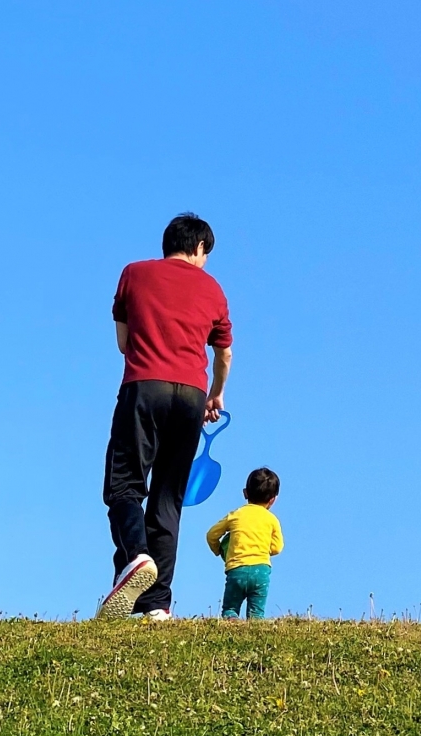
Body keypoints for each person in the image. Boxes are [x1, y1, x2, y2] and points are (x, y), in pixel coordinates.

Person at [96, 213, 233, 622]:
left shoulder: (133, 274)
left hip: (143, 386)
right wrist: (215, 393)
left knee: (123, 486)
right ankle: (158, 605)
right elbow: (223, 353)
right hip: (191, 396)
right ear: (199, 248)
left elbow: (123, 343)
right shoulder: (213, 288)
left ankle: (135, 558)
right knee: (168, 499)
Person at [206, 467, 283, 619]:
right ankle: (254, 634)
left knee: (230, 609)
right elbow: (277, 547)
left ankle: (231, 624)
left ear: (245, 493)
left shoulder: (236, 514)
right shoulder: (272, 519)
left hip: (236, 571)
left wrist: (220, 550)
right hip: (261, 570)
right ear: (273, 500)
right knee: (256, 614)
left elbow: (211, 535)